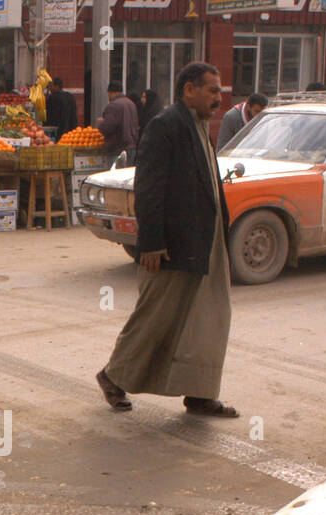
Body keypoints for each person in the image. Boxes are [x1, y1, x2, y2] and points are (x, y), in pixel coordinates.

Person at [96, 62, 239, 419]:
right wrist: (153, 243)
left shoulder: (200, 127)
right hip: (173, 245)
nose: (218, 99)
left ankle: (200, 394)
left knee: (207, 319)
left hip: (205, 241)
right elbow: (149, 188)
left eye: (219, 92)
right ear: (188, 90)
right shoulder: (166, 126)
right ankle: (113, 376)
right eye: (212, 90)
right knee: (155, 317)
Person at [97, 80, 139, 161]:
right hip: (131, 147)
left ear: (112, 93)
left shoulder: (113, 106)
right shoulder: (131, 104)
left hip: (117, 148)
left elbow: (108, 127)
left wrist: (100, 124)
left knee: (115, 173)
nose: (108, 97)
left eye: (109, 94)